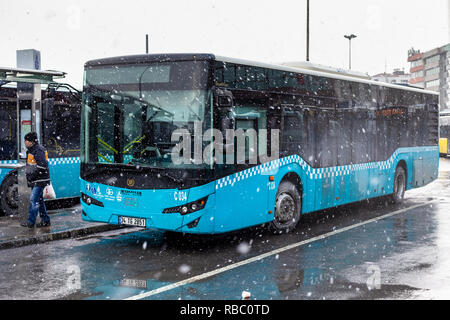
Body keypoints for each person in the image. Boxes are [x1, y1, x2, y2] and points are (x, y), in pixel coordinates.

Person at [20, 132, 51, 228]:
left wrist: (32, 175)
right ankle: (45, 220)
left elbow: (42, 166)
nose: (24, 142)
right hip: (36, 179)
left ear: (31, 142)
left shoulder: (38, 150)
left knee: (33, 200)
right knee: (39, 201)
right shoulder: (32, 150)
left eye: (26, 140)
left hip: (39, 180)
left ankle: (31, 221)